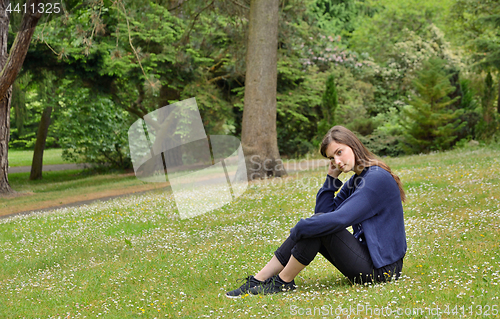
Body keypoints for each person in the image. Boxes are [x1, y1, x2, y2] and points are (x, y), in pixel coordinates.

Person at [225, 125, 407, 297]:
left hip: (384, 270)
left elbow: (339, 219)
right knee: (318, 225)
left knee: (316, 226)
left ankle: (282, 282)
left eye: (339, 152)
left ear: (352, 144)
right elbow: (324, 214)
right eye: (331, 158)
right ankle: (259, 279)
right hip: (369, 260)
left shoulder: (376, 178)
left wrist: (300, 228)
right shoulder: (356, 181)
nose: (337, 162)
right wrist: (330, 179)